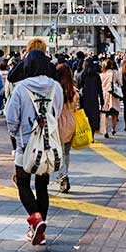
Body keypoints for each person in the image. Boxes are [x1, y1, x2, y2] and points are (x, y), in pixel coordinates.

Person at [4, 49, 60, 245]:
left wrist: (16, 133)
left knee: (22, 183)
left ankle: (35, 220)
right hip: (47, 144)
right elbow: (57, 114)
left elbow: (11, 119)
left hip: (25, 145)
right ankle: (39, 229)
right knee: (42, 186)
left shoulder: (21, 88)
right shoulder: (56, 87)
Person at [52, 63, 78, 194]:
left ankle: (63, 176)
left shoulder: (56, 90)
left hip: (59, 122)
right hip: (71, 122)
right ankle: (64, 174)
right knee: (66, 152)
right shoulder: (73, 90)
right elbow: (76, 105)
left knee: (60, 152)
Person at [78, 58, 103, 138]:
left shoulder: (83, 75)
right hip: (94, 98)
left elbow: (79, 87)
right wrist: (102, 99)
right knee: (93, 117)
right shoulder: (96, 76)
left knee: (85, 116)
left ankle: (86, 134)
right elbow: (100, 89)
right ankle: (92, 134)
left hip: (84, 99)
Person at [100, 58, 121, 138]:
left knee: (105, 114)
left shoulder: (101, 74)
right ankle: (113, 129)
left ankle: (105, 131)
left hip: (104, 95)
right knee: (114, 113)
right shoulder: (115, 73)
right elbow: (120, 82)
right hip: (113, 95)